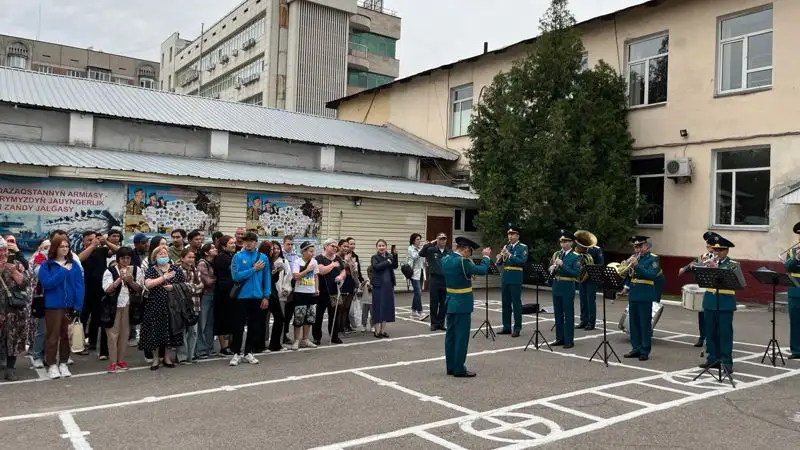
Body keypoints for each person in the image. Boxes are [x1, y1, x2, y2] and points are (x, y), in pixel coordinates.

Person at [442, 237, 491, 378]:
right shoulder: (462, 261)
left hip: (450, 300)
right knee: (461, 337)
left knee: (450, 336)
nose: (470, 255)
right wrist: (486, 258)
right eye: (469, 252)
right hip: (462, 303)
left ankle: (450, 366)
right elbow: (481, 270)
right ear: (465, 250)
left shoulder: (446, 259)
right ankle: (459, 368)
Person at [37, 236, 85, 379]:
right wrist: (63, 271)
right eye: (61, 246)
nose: (65, 249)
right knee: (53, 336)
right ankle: (51, 364)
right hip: (53, 306)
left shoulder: (74, 265)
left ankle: (63, 362)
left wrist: (78, 305)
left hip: (69, 306)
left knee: (66, 335)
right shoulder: (47, 265)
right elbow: (47, 284)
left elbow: (79, 286)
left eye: (67, 246)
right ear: (55, 248)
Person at [699, 234, 744, 373]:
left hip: (725, 303)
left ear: (727, 251)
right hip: (709, 302)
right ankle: (712, 358)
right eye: (715, 250)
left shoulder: (733, 265)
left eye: (720, 250)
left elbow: (740, 283)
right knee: (710, 332)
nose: (717, 253)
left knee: (724, 333)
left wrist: (716, 268)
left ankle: (726, 361)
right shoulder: (707, 261)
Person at [141, 246, 186, 370]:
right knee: (154, 332)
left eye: (165, 254)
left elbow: (183, 284)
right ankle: (155, 359)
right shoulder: (151, 270)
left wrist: (174, 287)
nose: (163, 256)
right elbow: (148, 284)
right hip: (154, 305)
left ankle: (167, 357)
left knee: (169, 332)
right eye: (160, 254)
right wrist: (164, 278)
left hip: (171, 306)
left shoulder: (175, 269)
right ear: (155, 257)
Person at [229, 232, 271, 366]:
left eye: (251, 241)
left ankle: (248, 352)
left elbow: (267, 278)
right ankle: (236, 353)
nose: (248, 243)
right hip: (241, 297)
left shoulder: (263, 257)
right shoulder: (238, 256)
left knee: (255, 326)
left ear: (256, 242)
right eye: (245, 240)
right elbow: (235, 276)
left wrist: (266, 296)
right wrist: (253, 269)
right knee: (238, 326)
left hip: (257, 297)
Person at [101, 247, 143, 373]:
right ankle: (113, 362)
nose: (125, 261)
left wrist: (130, 281)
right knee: (112, 335)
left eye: (128, 258)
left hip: (128, 306)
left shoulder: (136, 269)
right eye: (123, 258)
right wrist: (119, 279)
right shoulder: (110, 270)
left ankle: (121, 360)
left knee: (125, 334)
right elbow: (107, 289)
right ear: (118, 259)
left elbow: (140, 289)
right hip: (113, 307)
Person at [679, 231, 720, 347]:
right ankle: (702, 337)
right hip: (703, 289)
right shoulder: (704, 256)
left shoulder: (719, 257)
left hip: (715, 290)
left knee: (713, 316)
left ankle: (713, 338)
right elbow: (694, 263)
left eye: (710, 245)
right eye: (707, 245)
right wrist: (685, 268)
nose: (708, 247)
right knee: (702, 315)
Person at [624, 235, 661, 362]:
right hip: (634, 293)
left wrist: (637, 265)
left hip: (645, 294)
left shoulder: (654, 259)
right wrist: (625, 267)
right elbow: (629, 276)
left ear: (646, 246)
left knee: (644, 324)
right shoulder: (635, 258)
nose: (637, 249)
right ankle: (636, 348)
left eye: (639, 246)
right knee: (633, 324)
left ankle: (644, 350)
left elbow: (651, 275)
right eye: (635, 246)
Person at [0, 237, 31, 381]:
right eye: (0, 250)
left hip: (12, 310)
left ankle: (10, 369)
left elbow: (25, 283)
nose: (3, 253)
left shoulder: (15, 264)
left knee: (12, 339)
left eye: (5, 250)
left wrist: (14, 272)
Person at [549, 230, 580, 348]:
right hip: (557, 285)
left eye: (566, 241)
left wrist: (562, 265)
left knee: (568, 314)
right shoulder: (557, 254)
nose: (563, 244)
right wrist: (551, 268)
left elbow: (575, 273)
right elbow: (553, 268)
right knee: (558, 314)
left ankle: (569, 340)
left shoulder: (576, 256)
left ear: (571, 243)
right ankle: (559, 338)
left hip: (567, 286)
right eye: (561, 241)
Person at [495, 226, 528, 337]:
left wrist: (509, 255)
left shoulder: (522, 247)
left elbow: (522, 262)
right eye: (509, 234)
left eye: (513, 234)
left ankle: (517, 328)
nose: (510, 236)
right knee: (505, 302)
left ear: (517, 236)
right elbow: (500, 263)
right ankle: (506, 327)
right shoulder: (507, 246)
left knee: (516, 303)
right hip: (506, 276)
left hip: (515, 276)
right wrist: (499, 258)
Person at [419, 233, 451, 332]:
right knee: (434, 303)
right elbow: (421, 253)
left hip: (445, 280)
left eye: (444, 239)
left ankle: (441, 323)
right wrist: (430, 243)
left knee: (444, 303)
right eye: (441, 239)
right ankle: (434, 323)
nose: (443, 241)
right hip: (434, 279)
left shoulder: (449, 252)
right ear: (437, 240)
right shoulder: (431, 250)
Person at [291, 241, 319, 350]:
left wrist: (317, 289)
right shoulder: (297, 262)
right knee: (299, 317)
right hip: (300, 292)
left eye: (313, 251)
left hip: (311, 292)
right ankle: (296, 340)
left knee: (310, 317)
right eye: (310, 251)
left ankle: (305, 339)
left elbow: (316, 276)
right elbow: (295, 276)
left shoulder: (315, 262)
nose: (312, 253)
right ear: (304, 251)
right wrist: (307, 270)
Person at [370, 239, 398, 338]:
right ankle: (376, 331)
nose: (381, 247)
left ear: (386, 247)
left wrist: (395, 256)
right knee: (378, 307)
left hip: (388, 285)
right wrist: (388, 261)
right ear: (376, 247)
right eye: (379, 246)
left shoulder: (390, 256)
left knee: (386, 307)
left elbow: (395, 266)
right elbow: (376, 267)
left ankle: (382, 330)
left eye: (383, 245)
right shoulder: (374, 257)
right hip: (378, 286)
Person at [196, 242, 217, 359]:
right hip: (205, 295)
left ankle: (209, 347)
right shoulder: (202, 263)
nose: (215, 249)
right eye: (212, 248)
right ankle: (200, 349)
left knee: (210, 323)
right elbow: (207, 281)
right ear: (206, 252)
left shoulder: (212, 263)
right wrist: (217, 278)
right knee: (202, 323)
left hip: (212, 294)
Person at [577, 243, 604, 331]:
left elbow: (601, 263)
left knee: (590, 300)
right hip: (582, 278)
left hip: (591, 279)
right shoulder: (578, 249)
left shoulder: (596, 249)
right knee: (583, 300)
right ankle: (583, 320)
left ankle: (591, 322)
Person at [787, 222, 800, 360]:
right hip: (795, 291)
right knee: (795, 321)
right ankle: (796, 350)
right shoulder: (793, 251)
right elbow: (788, 267)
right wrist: (797, 258)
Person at [407, 233, 426, 320]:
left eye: (420, 239)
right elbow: (415, 256)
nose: (419, 241)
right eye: (418, 239)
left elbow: (422, 258)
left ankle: (413, 312)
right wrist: (424, 248)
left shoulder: (419, 248)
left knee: (417, 293)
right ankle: (420, 311)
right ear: (413, 240)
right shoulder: (410, 248)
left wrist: (426, 262)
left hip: (421, 272)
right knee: (418, 292)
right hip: (414, 273)